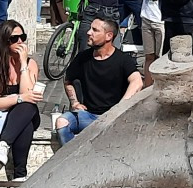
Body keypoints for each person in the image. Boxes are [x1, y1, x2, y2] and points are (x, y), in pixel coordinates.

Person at [57, 14, 144, 143]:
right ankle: (72, 159)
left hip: (114, 117)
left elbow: (137, 81)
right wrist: (74, 102)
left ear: (109, 36)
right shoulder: (83, 58)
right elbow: (68, 80)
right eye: (90, 28)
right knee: (62, 122)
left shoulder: (122, 59)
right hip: (88, 115)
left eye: (95, 30)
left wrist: (120, 108)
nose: (88, 32)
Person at [0, 18, 44, 180]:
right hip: (3, 112)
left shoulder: (31, 64)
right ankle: (20, 176)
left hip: (25, 111)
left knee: (28, 106)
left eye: (23, 37)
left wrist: (23, 64)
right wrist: (20, 98)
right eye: (14, 39)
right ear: (5, 42)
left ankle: (3, 144)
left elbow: (29, 93)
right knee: (25, 122)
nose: (20, 42)